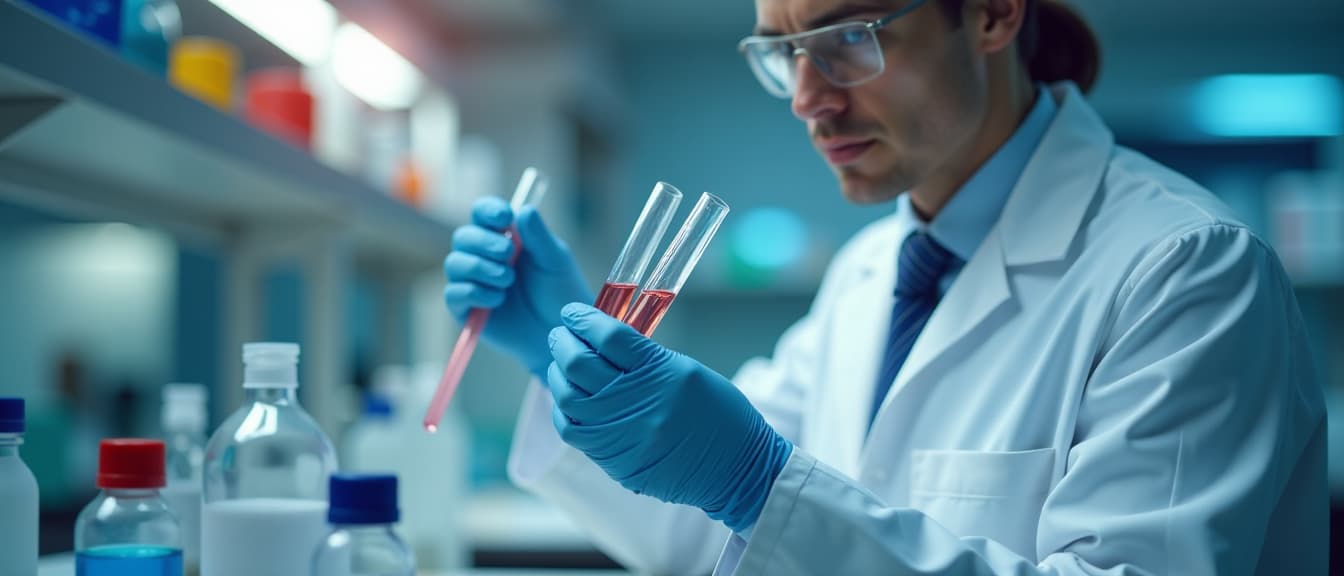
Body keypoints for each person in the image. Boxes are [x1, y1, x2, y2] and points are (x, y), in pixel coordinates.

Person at [442, 0, 1326, 573]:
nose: (805, 97)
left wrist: (759, 481)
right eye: (782, 52)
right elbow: (705, 533)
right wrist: (552, 357)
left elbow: (770, 503)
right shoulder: (869, 276)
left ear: (990, 14)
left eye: (846, 40)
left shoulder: (1189, 268)